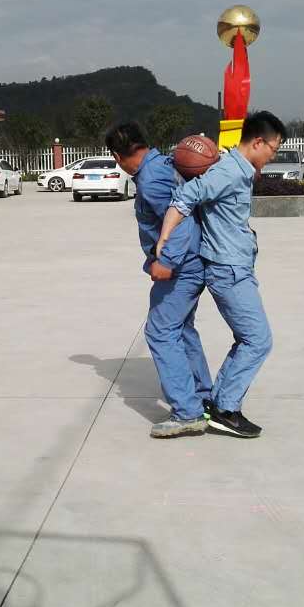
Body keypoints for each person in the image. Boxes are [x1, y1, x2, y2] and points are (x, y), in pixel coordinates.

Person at [157, 111, 280, 439]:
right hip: (228, 270)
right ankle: (225, 409)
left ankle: (220, 404)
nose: (273, 155)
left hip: (235, 266)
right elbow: (185, 198)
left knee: (251, 338)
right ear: (258, 142)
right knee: (258, 340)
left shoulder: (238, 169)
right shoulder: (229, 171)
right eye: (274, 148)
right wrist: (164, 237)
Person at [106, 121, 213, 438]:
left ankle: (188, 412)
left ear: (117, 156)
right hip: (192, 261)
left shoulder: (151, 179)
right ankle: (201, 396)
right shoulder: (162, 164)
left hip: (181, 268)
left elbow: (180, 219)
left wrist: (166, 261)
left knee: (160, 331)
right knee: (181, 329)